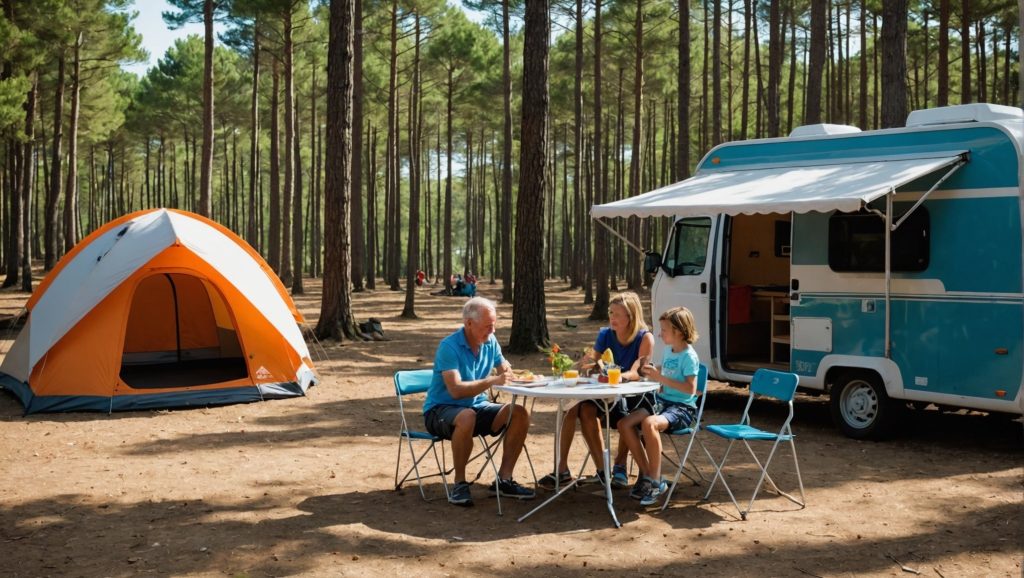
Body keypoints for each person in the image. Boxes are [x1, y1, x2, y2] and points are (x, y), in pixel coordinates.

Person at [423, 296, 536, 507]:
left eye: (493, 326)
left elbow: (505, 370)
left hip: (476, 406)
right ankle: (459, 484)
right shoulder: (449, 347)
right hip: (440, 410)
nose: (492, 332)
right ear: (468, 323)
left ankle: (504, 479)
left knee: (519, 413)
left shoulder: (490, 342)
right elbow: (455, 390)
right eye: (487, 327)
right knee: (467, 417)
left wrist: (518, 376)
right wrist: (492, 380)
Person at [537, 292, 655, 490]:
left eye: (617, 314)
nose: (612, 318)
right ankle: (600, 472)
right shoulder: (606, 334)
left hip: (637, 396)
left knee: (627, 413)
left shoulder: (644, 337)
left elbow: (638, 372)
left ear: (631, 316)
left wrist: (616, 375)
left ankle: (619, 466)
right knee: (580, 409)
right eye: (610, 313)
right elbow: (591, 361)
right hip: (608, 393)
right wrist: (584, 364)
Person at [618, 306, 701, 506]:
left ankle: (655, 482)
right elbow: (664, 372)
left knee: (649, 424)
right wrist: (649, 370)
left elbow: (691, 389)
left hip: (682, 409)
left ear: (679, 332)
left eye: (664, 330)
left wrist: (660, 377)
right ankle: (647, 474)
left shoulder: (689, 356)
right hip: (663, 403)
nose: (659, 333)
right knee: (624, 423)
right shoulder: (668, 351)